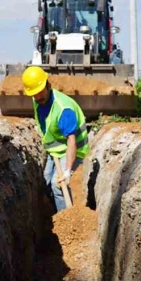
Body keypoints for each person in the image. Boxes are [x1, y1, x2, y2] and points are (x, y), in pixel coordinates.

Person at [22, 66, 90, 212]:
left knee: (58, 185)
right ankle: (51, 215)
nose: (38, 97)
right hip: (56, 149)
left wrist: (67, 170)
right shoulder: (38, 100)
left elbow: (71, 140)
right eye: (34, 94)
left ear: (48, 84)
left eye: (40, 92)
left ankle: (66, 222)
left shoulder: (63, 109)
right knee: (45, 182)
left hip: (72, 148)